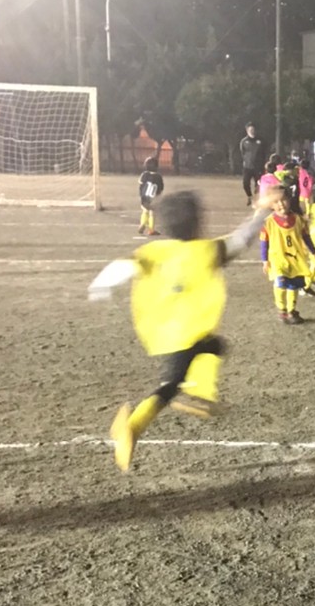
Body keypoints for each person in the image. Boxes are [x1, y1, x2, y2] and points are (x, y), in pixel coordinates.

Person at [87, 185, 279, 472]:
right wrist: (262, 210)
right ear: (198, 222)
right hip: (186, 334)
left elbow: (124, 266)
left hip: (162, 331)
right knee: (169, 386)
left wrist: (101, 285)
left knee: (215, 346)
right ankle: (133, 426)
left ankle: (198, 395)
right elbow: (242, 239)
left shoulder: (153, 250)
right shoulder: (207, 250)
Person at [261, 184, 315, 322]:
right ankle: (282, 309)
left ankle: (292, 310)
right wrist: (265, 260)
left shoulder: (298, 220)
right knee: (280, 283)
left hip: (295, 259)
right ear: (271, 204)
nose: (281, 204)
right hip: (278, 259)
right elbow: (264, 242)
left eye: (284, 200)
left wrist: (314, 252)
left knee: (294, 286)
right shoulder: (268, 222)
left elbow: (306, 237)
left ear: (290, 200)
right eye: (276, 201)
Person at [137, 155, 164, 237]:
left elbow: (140, 183)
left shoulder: (144, 174)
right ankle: (151, 229)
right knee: (152, 213)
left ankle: (142, 223)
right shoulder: (158, 176)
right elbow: (161, 188)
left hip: (144, 197)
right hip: (153, 198)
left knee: (145, 211)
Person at [239, 125, 266, 206]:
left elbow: (264, 153)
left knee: (258, 185)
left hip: (258, 167)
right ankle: (249, 196)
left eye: (253, 129)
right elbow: (242, 153)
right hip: (247, 167)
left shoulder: (260, 141)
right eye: (250, 129)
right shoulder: (244, 141)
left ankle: (257, 199)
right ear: (247, 131)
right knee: (245, 183)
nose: (252, 131)